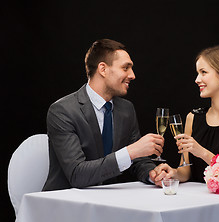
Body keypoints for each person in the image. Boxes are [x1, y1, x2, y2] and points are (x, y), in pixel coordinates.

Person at [43, 39, 170, 191]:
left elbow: (138, 161)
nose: (132, 75)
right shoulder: (62, 111)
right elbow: (77, 174)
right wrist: (130, 152)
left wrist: (152, 173)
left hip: (110, 203)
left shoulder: (126, 109)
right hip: (65, 205)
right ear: (103, 69)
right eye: (125, 68)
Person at [157, 45, 219, 183]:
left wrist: (202, 152)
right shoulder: (193, 117)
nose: (197, 79)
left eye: (203, 72)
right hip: (197, 198)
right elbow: (185, 172)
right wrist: (172, 173)